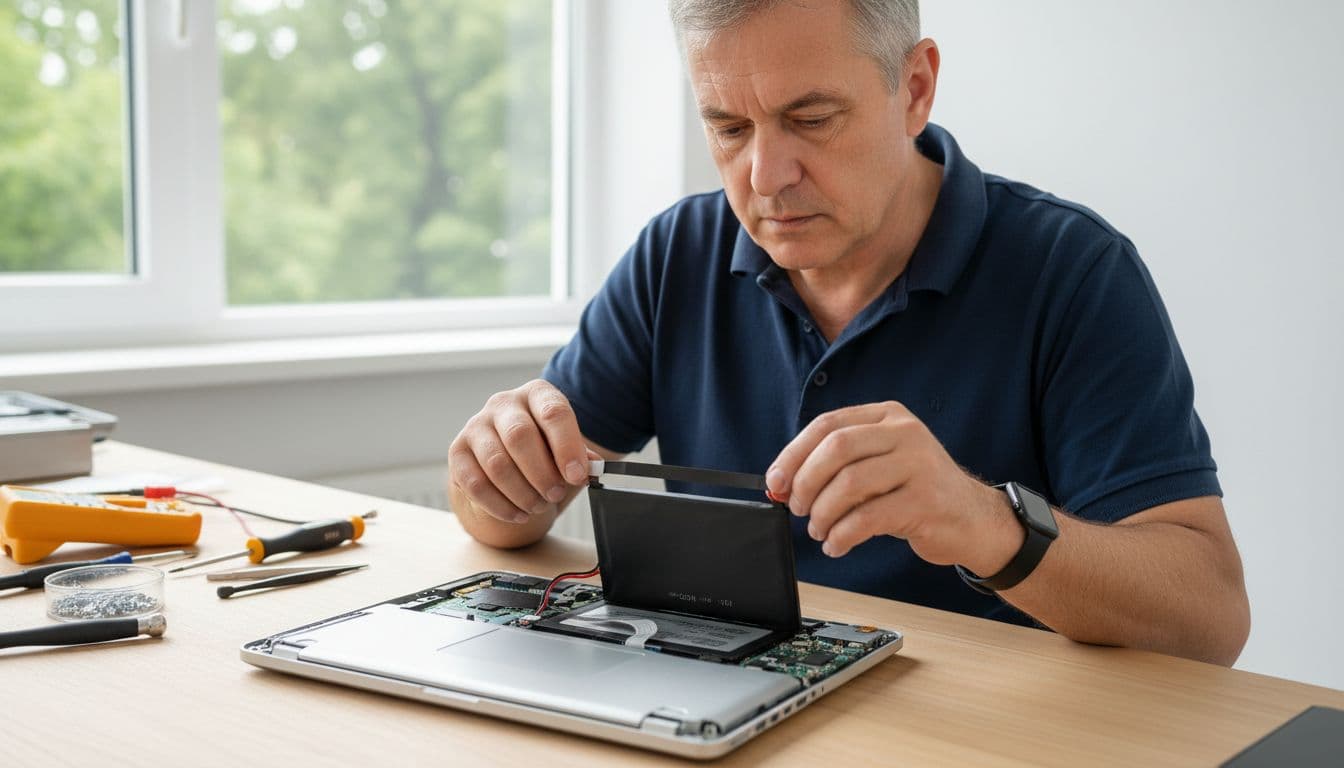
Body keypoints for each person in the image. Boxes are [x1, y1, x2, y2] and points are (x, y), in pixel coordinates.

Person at [448, 0, 1250, 666]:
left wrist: (986, 524)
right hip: (716, 714)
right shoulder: (677, 252)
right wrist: (499, 473)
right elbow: (500, 516)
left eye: (811, 119)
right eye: (729, 129)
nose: (765, 177)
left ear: (915, 87)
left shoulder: (1071, 269)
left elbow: (1209, 619)